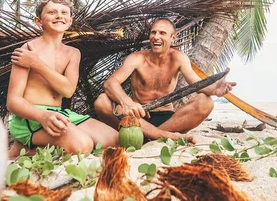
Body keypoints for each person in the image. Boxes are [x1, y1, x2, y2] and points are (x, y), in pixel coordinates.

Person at [6, 0, 118, 158]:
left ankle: (62, 139)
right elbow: (13, 102)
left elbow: (67, 90)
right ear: (38, 21)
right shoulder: (27, 50)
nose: (59, 15)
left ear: (70, 21)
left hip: (60, 114)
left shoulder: (73, 53)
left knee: (113, 140)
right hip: (31, 117)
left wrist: (37, 64)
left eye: (64, 12)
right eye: (52, 12)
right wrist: (43, 116)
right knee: (82, 145)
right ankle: (20, 150)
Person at [94, 18, 236, 143]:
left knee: (206, 102)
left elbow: (196, 84)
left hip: (168, 120)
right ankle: (163, 136)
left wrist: (214, 89)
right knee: (102, 101)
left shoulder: (178, 58)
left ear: (173, 37)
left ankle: (149, 136)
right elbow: (110, 83)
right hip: (139, 118)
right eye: (153, 32)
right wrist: (128, 102)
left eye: (162, 33)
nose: (156, 37)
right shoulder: (137, 58)